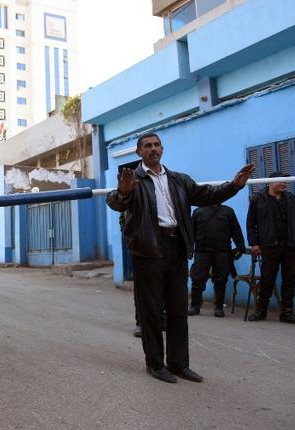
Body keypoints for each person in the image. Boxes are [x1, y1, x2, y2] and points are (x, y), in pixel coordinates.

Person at [107, 133, 254, 384]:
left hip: (176, 247)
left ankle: (179, 364)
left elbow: (207, 195)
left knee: (177, 309)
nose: (153, 149)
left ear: (162, 150)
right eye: (147, 146)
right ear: (139, 153)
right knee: (151, 311)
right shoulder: (134, 180)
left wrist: (235, 185)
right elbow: (117, 202)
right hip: (148, 250)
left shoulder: (179, 180)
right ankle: (155, 364)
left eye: (156, 145)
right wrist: (122, 192)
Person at [246, 172, 295, 325]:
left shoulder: (291, 199)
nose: (284, 184)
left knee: (290, 278)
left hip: (290, 246)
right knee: (267, 279)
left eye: (286, 182)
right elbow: (250, 223)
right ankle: (261, 311)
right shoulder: (258, 199)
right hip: (269, 246)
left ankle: (287, 313)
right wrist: (254, 243)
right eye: (281, 181)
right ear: (270, 183)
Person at [188, 204, 245, 317]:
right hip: (202, 250)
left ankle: (219, 307)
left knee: (221, 278)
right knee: (197, 277)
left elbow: (235, 230)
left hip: (222, 250)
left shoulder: (228, 211)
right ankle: (195, 305)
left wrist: (240, 247)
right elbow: (191, 233)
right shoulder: (198, 212)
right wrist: (189, 250)